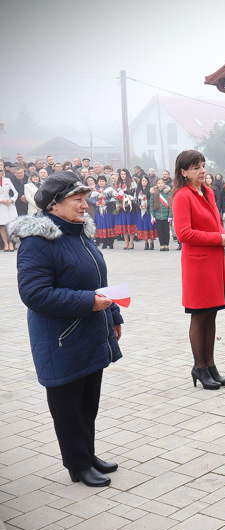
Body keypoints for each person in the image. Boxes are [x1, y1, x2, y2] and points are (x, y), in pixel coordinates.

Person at [9, 171, 123, 487]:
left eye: (85, 198)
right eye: (78, 199)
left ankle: (87, 454)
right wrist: (89, 302)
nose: (85, 205)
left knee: (88, 401)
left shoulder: (78, 234)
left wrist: (112, 314)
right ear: (55, 205)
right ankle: (77, 465)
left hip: (89, 331)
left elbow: (98, 281)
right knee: (68, 407)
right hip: (60, 339)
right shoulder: (37, 242)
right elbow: (34, 293)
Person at [171, 150, 225, 391]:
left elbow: (216, 225)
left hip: (215, 262)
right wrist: (217, 238)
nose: (202, 170)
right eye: (196, 167)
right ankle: (199, 366)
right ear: (183, 172)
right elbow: (183, 233)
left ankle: (210, 365)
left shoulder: (209, 192)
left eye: (203, 165)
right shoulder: (182, 196)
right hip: (198, 265)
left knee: (212, 315)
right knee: (199, 316)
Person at [114, 168, 137, 249]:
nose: (123, 176)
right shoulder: (118, 183)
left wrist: (129, 200)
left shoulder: (132, 183)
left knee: (130, 224)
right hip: (122, 207)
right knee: (124, 224)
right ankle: (126, 242)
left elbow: (135, 195)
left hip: (130, 206)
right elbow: (116, 195)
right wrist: (118, 203)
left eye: (124, 174)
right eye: (121, 174)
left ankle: (131, 242)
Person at [92, 175, 116, 249]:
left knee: (109, 225)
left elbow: (114, 198)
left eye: (103, 181)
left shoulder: (110, 189)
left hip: (108, 211)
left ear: (106, 182)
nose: (101, 183)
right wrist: (96, 203)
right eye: (100, 181)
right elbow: (91, 199)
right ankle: (104, 243)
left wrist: (106, 202)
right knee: (101, 226)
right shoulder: (95, 190)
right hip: (99, 211)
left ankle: (111, 243)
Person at [150, 177, 173, 251]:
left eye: (162, 183)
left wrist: (170, 215)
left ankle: (166, 245)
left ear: (164, 184)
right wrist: (153, 215)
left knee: (166, 231)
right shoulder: (154, 193)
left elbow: (170, 205)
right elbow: (151, 204)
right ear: (156, 184)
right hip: (158, 215)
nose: (160, 185)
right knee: (160, 231)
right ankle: (162, 245)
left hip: (166, 216)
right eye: (159, 183)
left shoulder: (168, 193)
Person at [136, 175, 157, 250]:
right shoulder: (138, 190)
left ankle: (151, 242)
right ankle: (145, 243)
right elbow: (136, 200)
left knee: (149, 226)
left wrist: (147, 204)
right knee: (143, 226)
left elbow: (152, 199)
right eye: (142, 180)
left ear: (148, 182)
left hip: (148, 211)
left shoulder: (150, 189)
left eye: (145, 181)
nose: (144, 182)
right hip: (141, 211)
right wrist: (139, 206)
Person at [0, 167, 18, 251]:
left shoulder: (7, 180)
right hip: (1, 205)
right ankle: (5, 243)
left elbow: (15, 192)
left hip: (9, 205)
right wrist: (1, 201)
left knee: (10, 225)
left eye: (0, 171)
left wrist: (12, 200)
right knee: (2, 225)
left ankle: (11, 242)